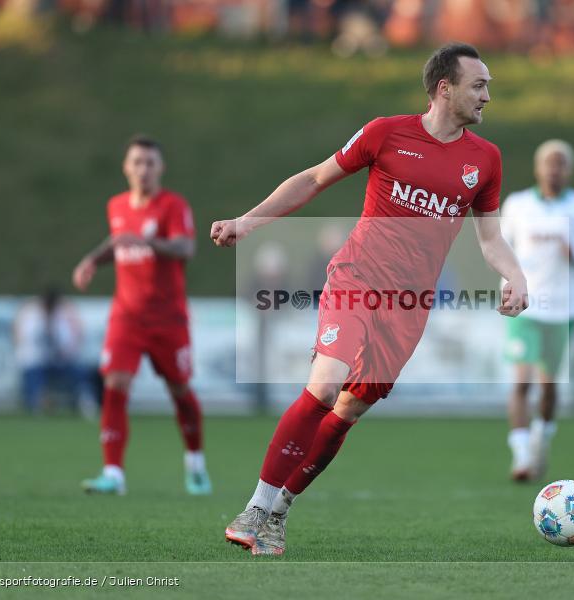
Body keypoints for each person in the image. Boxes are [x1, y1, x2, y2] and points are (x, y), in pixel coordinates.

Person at [211, 43, 528, 556]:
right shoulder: (386, 133)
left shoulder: (484, 160)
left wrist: (516, 276)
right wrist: (249, 221)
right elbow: (315, 178)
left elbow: (490, 239)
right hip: (357, 279)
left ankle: (279, 512)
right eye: (479, 84)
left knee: (350, 407)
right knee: (325, 383)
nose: (488, 95)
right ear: (444, 88)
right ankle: (255, 507)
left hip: (408, 305)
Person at [72, 135, 212, 496]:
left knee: (180, 390)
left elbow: (186, 247)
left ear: (160, 168)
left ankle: (195, 463)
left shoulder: (172, 206)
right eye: (137, 162)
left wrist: (148, 242)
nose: (143, 169)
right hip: (127, 317)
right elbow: (118, 240)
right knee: (115, 385)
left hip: (168, 319)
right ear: (126, 167)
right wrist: (91, 261)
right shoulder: (117, 205)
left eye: (150, 163)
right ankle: (113, 473)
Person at [500, 140, 574, 481]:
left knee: (548, 387)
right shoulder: (518, 205)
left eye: (561, 164)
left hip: (562, 310)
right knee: (521, 382)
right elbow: (498, 248)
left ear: (570, 170)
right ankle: (521, 458)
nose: (554, 169)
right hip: (527, 306)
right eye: (549, 163)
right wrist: (506, 288)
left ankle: (540, 440)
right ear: (537, 168)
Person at [13, 285, 95, 417]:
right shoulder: (31, 314)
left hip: (58, 362)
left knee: (79, 373)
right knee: (34, 373)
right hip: (36, 361)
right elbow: (28, 341)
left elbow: (67, 343)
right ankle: (37, 404)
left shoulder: (62, 316)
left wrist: (61, 349)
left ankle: (85, 403)